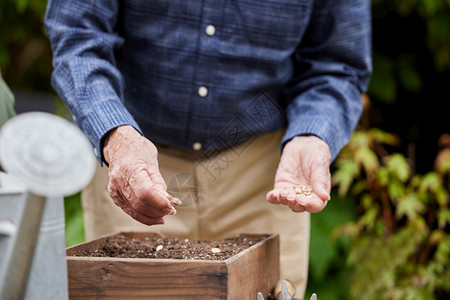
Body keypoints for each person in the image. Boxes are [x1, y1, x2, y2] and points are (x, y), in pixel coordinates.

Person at [45, 0, 371, 296]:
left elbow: (337, 65)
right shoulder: (126, 153)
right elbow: (77, 36)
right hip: (134, 165)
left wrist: (312, 135)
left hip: (264, 175)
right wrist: (117, 139)